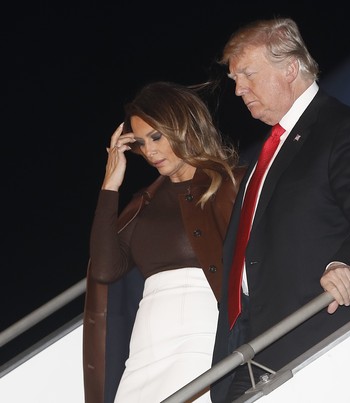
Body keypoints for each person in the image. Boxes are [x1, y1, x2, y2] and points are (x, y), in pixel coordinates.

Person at [210, 17, 350, 401]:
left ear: (290, 68)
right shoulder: (265, 155)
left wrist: (346, 263)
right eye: (234, 80)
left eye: (247, 74)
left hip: (321, 332)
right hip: (255, 345)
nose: (239, 90)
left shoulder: (342, 128)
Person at [82, 81, 246, 403]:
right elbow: (104, 268)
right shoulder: (143, 205)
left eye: (156, 137)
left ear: (183, 125)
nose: (150, 151)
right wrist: (110, 184)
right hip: (148, 343)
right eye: (141, 143)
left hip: (203, 330)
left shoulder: (233, 184)